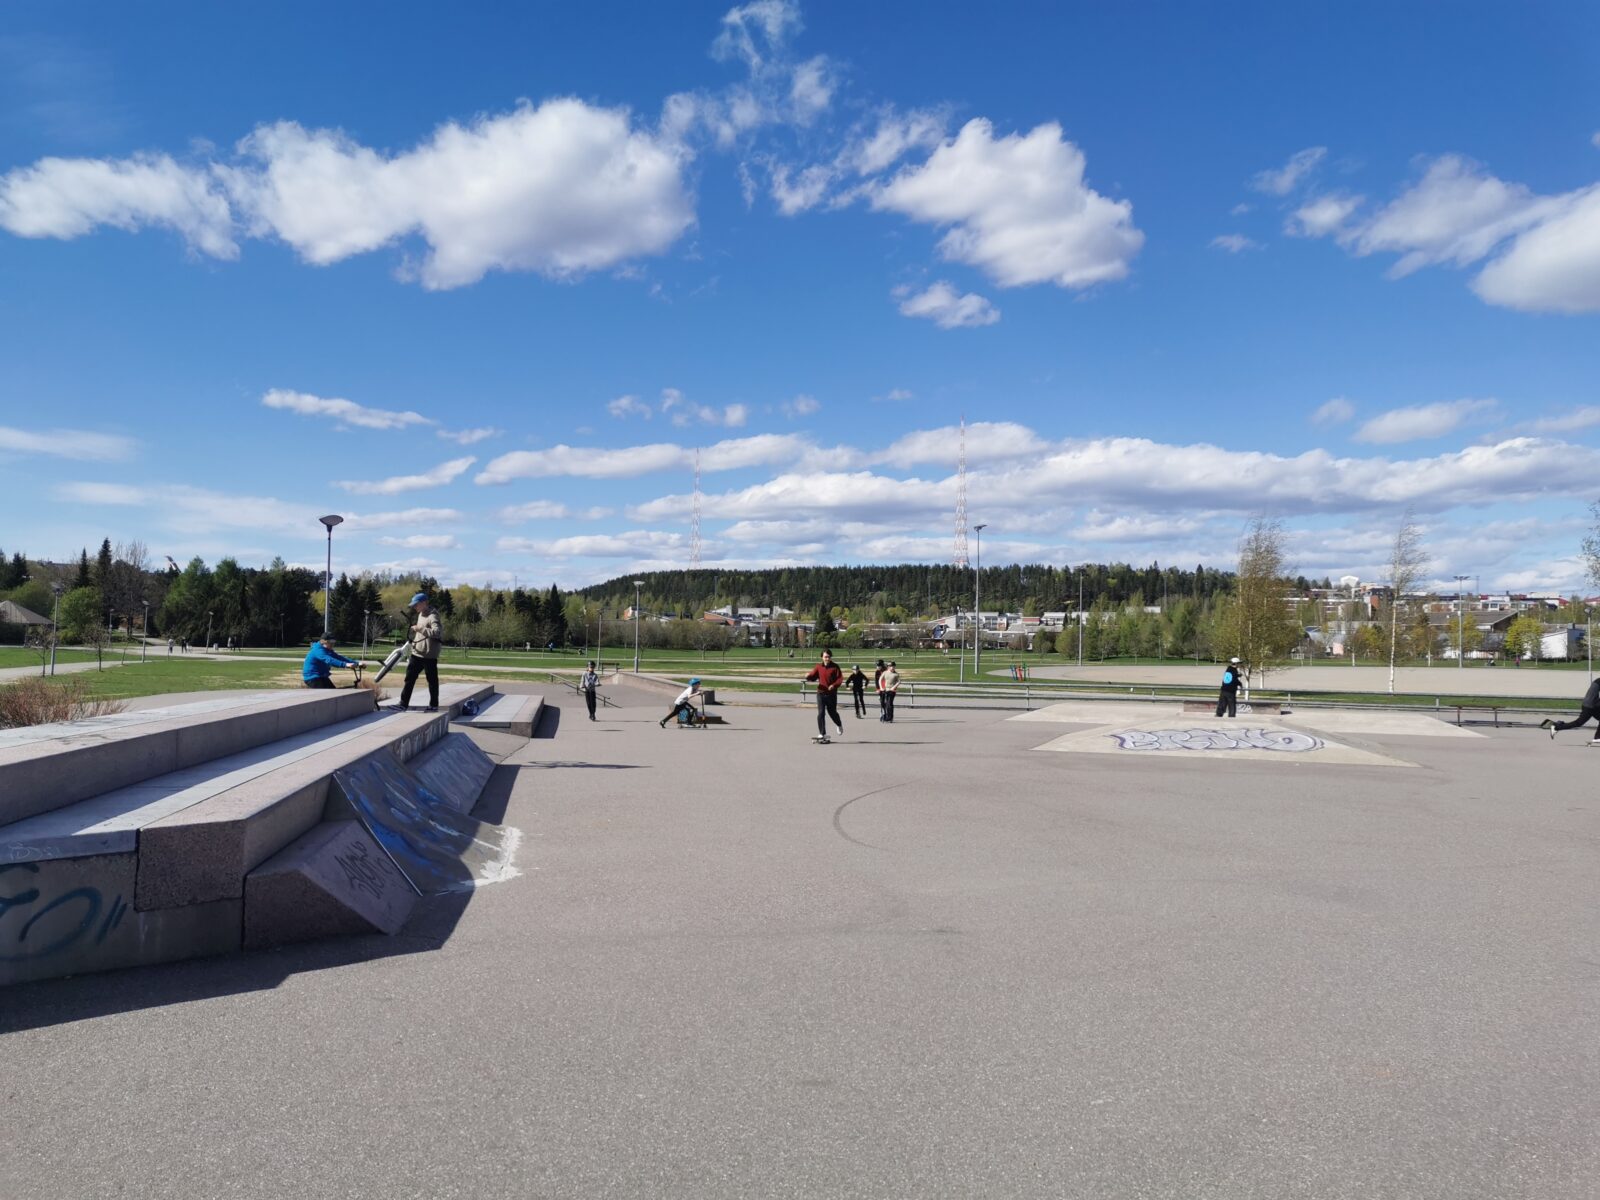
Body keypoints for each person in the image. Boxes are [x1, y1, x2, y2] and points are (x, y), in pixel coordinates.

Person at [398, 592, 442, 711]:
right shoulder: (420, 614)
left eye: (416, 604)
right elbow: (421, 633)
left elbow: (437, 632)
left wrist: (420, 628)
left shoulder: (433, 616)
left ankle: (434, 705)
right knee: (409, 678)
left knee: (432, 681)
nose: (414, 607)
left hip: (429, 655)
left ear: (424, 603)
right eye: (414, 605)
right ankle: (403, 704)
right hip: (417, 653)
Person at [1543, 676, 1600, 742]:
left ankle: (1597, 737)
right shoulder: (1598, 681)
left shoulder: (1598, 680)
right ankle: (1556, 727)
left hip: (1592, 705)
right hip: (1589, 706)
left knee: (1579, 723)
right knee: (1578, 723)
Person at [805, 649, 845, 742]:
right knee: (821, 713)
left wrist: (834, 685)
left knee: (832, 713)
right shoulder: (818, 667)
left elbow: (840, 679)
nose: (827, 658)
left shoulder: (835, 667)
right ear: (822, 657)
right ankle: (822, 733)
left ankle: (839, 724)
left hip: (831, 694)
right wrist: (808, 676)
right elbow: (813, 677)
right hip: (821, 693)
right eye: (825, 657)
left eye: (828, 657)